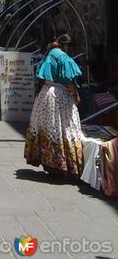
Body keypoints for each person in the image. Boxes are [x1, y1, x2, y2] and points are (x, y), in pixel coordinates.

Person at [24, 34, 84, 177]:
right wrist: (76, 94)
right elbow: (69, 79)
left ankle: (49, 163)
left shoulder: (49, 53)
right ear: (67, 45)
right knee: (65, 127)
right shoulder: (63, 57)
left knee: (49, 127)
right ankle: (62, 164)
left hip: (46, 94)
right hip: (58, 96)